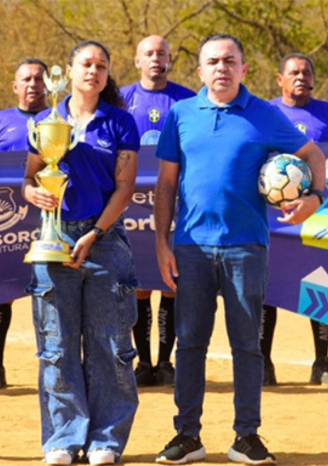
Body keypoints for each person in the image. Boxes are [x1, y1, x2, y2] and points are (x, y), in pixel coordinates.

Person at [154, 33, 326, 465]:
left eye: (230, 60)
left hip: (246, 247)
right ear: (199, 71)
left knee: (247, 344)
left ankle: (246, 437)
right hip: (191, 247)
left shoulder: (264, 113)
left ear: (243, 68)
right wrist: (161, 243)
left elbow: (314, 156)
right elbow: (166, 183)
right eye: (213, 61)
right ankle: (187, 436)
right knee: (189, 344)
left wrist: (314, 197)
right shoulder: (180, 114)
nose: (222, 68)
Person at [23, 40, 140, 466]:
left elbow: (125, 188)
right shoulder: (44, 121)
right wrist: (33, 194)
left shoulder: (121, 121)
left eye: (101, 66)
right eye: (86, 64)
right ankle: (63, 438)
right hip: (53, 241)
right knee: (57, 345)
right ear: (68, 70)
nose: (93, 71)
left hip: (104, 242)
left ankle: (105, 440)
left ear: (108, 74)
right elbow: (29, 179)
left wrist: (94, 232)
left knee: (110, 345)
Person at [263, 52, 328, 387]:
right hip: (273, 216)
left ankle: (322, 363)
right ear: (279, 79)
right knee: (268, 285)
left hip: (319, 212)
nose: (301, 77)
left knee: (319, 280)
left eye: (306, 72)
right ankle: (263, 362)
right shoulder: (266, 111)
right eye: (294, 72)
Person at [119, 35, 195, 387]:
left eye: (161, 53)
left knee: (170, 282)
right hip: (132, 205)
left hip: (174, 201)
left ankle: (165, 361)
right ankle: (143, 362)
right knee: (139, 285)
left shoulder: (187, 99)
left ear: (169, 59)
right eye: (148, 53)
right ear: (137, 61)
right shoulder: (121, 99)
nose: (155, 59)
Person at [0, 57, 49, 390]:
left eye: (39, 78)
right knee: (1, 291)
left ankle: (53, 365)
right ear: (15, 85)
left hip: (50, 216)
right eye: (27, 79)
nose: (33, 84)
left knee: (50, 291)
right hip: (7, 220)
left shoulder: (60, 118)